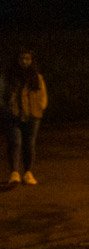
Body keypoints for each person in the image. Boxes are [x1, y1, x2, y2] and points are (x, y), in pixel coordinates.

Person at [3, 48, 48, 185]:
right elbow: (1, 92)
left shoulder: (37, 77)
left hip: (32, 114)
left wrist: (40, 107)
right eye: (22, 58)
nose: (24, 61)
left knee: (29, 144)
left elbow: (43, 95)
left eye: (27, 58)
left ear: (31, 60)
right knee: (15, 142)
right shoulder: (8, 76)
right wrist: (7, 108)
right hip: (14, 114)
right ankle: (14, 172)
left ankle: (28, 172)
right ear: (17, 60)